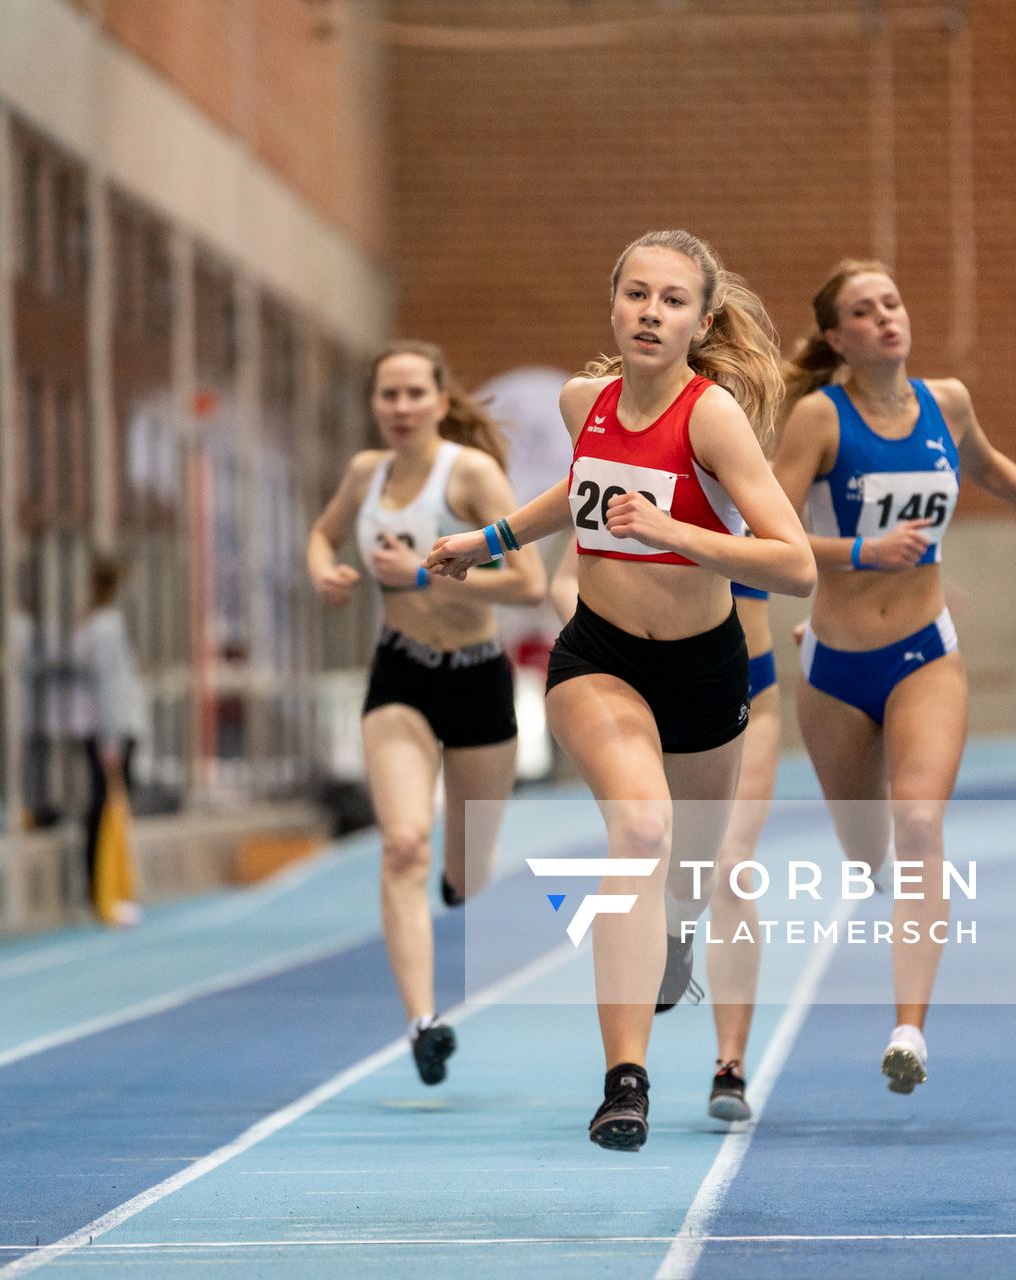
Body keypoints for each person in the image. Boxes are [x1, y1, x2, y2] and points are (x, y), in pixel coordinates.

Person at [427, 230, 816, 1151]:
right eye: (636, 295)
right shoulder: (582, 401)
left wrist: (682, 534)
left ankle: (676, 939)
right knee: (637, 833)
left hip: (708, 668)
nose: (651, 312)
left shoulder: (712, 417)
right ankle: (624, 1083)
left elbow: (793, 563)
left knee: (689, 877)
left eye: (672, 300)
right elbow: (578, 492)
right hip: (599, 657)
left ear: (701, 321)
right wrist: (488, 544)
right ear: (613, 305)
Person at [769, 259, 1016, 1095]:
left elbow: (986, 466)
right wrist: (858, 552)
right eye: (864, 310)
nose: (887, 317)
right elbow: (765, 531)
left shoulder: (945, 403)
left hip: (924, 651)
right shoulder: (819, 419)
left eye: (892, 301)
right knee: (865, 857)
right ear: (838, 338)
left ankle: (909, 1031)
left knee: (921, 825)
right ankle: (872, 870)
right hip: (835, 666)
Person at [307, 341, 546, 1087]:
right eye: (389, 395)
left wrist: (425, 576)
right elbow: (322, 532)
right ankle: (422, 1023)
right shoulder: (364, 475)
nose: (402, 408)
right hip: (401, 672)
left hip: (477, 677)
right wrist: (326, 570)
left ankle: (459, 878)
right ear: (375, 405)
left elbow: (527, 581)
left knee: (468, 873)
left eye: (415, 393)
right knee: (403, 845)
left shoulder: (469, 474)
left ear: (442, 402)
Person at [545, 549, 780, 1126]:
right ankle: (627, 1074)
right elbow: (562, 575)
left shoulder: (756, 471)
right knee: (644, 834)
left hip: (735, 684)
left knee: (722, 868)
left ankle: (730, 1064)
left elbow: (806, 557)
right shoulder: (619, 463)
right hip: (624, 669)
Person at [68, 557, 146, 906]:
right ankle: (103, 885)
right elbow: (107, 684)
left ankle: (105, 883)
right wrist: (112, 740)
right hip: (110, 729)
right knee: (107, 806)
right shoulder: (106, 627)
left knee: (106, 804)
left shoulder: (91, 627)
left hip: (103, 726)